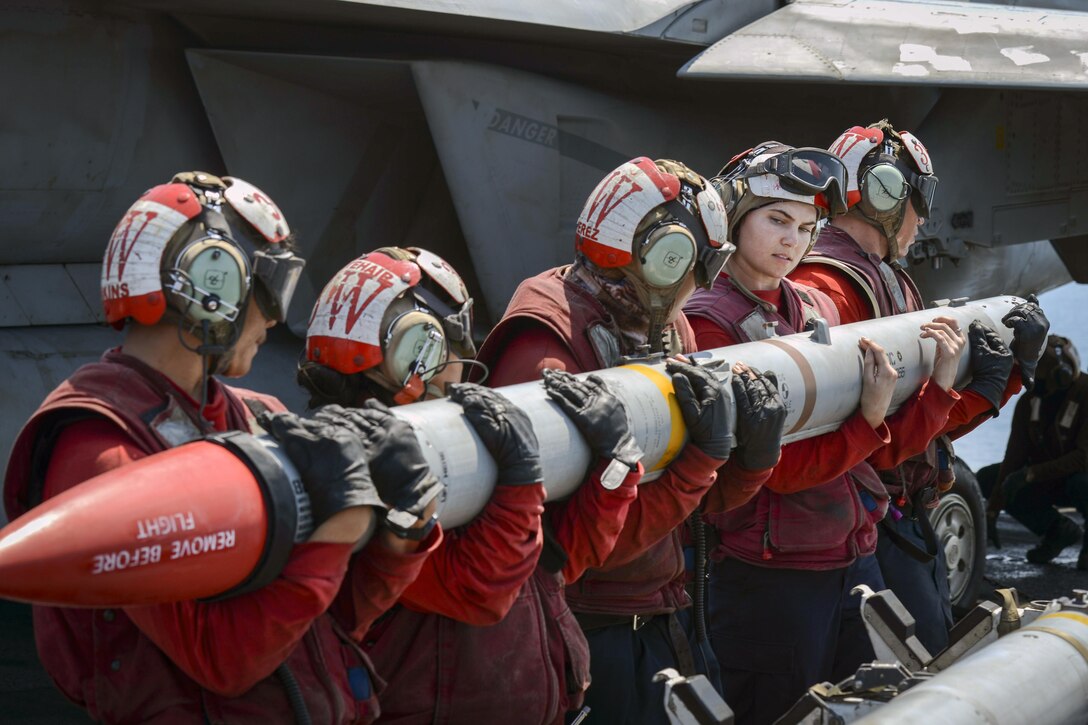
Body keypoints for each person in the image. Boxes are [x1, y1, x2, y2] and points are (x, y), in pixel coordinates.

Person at [2, 172, 439, 723]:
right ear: (213, 286)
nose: (278, 316)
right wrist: (340, 531)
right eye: (270, 285)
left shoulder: (256, 416)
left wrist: (401, 541)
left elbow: (328, 621)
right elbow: (221, 662)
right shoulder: (98, 450)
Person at [473, 157, 787, 724]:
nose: (702, 285)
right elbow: (569, 553)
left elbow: (693, 508)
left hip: (665, 618)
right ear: (663, 258)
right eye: (695, 265)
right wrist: (703, 461)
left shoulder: (664, 324)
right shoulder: (544, 354)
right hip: (597, 634)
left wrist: (751, 462)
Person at [683, 142, 968, 723]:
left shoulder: (814, 310)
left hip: (848, 556)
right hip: (771, 574)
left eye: (807, 226)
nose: (792, 240)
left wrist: (938, 389)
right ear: (735, 216)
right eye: (777, 220)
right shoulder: (708, 325)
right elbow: (775, 470)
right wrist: (866, 421)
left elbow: (874, 453)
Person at [299, 246, 643, 724]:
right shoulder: (370, 475)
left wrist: (614, 471)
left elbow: (560, 559)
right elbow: (478, 592)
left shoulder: (463, 439)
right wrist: (520, 479)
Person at [788, 121, 1048, 654]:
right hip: (866, 524)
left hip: (885, 517)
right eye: (920, 197)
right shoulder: (830, 291)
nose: (924, 216)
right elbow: (878, 445)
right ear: (887, 193)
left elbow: (914, 429)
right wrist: (982, 391)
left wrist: (1000, 382)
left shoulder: (875, 278)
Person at [981, 335, 1088, 568]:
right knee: (989, 478)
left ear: (1061, 376)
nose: (1030, 382)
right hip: (1050, 478)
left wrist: (1031, 474)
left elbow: (1083, 458)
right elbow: (1013, 458)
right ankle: (1058, 530)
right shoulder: (1030, 403)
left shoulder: (1085, 394)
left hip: (1078, 477)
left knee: (1083, 483)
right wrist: (992, 511)